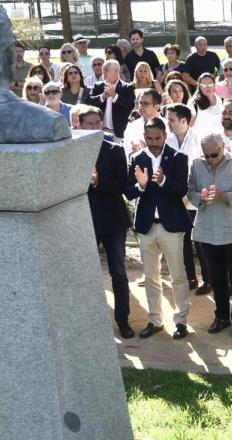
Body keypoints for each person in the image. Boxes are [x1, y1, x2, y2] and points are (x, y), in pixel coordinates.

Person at [126, 118, 192, 340]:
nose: (153, 142)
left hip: (171, 226)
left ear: (165, 136)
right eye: (149, 138)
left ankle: (181, 321)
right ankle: (155, 320)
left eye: (157, 138)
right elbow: (129, 192)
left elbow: (182, 188)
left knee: (178, 276)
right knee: (151, 276)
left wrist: (163, 181)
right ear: (145, 137)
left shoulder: (178, 157)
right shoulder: (136, 158)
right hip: (146, 226)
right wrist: (141, 185)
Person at [76, 106, 135, 338]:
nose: (94, 126)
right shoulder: (72, 152)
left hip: (113, 221)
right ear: (79, 125)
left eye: (97, 122)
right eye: (89, 123)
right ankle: (90, 321)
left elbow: (122, 185)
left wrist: (99, 182)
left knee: (118, 273)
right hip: (85, 221)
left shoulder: (115, 150)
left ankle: (123, 320)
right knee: (87, 274)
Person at [188, 134, 232, 337]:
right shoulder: (196, 164)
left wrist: (224, 196)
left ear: (224, 147)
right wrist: (200, 197)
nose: (211, 159)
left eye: (215, 154)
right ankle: (221, 316)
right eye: (207, 156)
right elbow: (190, 191)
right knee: (216, 278)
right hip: (206, 230)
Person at [164, 103, 209, 295]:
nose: (168, 122)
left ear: (184, 121)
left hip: (196, 196)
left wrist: (188, 193)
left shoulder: (200, 138)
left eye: (172, 119)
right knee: (181, 239)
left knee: (200, 240)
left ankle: (208, 280)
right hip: (175, 196)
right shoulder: (167, 140)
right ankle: (190, 277)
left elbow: (202, 168)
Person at [89, 59, 136, 137]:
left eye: (106, 69)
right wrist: (102, 97)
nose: (103, 72)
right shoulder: (97, 86)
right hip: (99, 131)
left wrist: (115, 96)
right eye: (103, 69)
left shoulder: (127, 87)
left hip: (119, 132)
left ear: (116, 71)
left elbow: (130, 105)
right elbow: (88, 101)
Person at [123, 88, 163, 154]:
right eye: (140, 103)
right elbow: (125, 151)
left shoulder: (168, 126)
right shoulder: (131, 126)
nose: (141, 106)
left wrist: (148, 150)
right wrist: (131, 154)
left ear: (157, 107)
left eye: (146, 103)